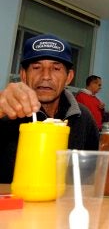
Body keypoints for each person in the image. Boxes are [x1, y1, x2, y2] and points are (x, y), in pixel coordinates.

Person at [0, 34, 99, 183]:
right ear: (24, 75)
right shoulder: (7, 114)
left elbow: (92, 174)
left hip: (64, 204)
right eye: (36, 67)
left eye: (56, 68)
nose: (46, 76)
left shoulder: (83, 117)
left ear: (68, 77)